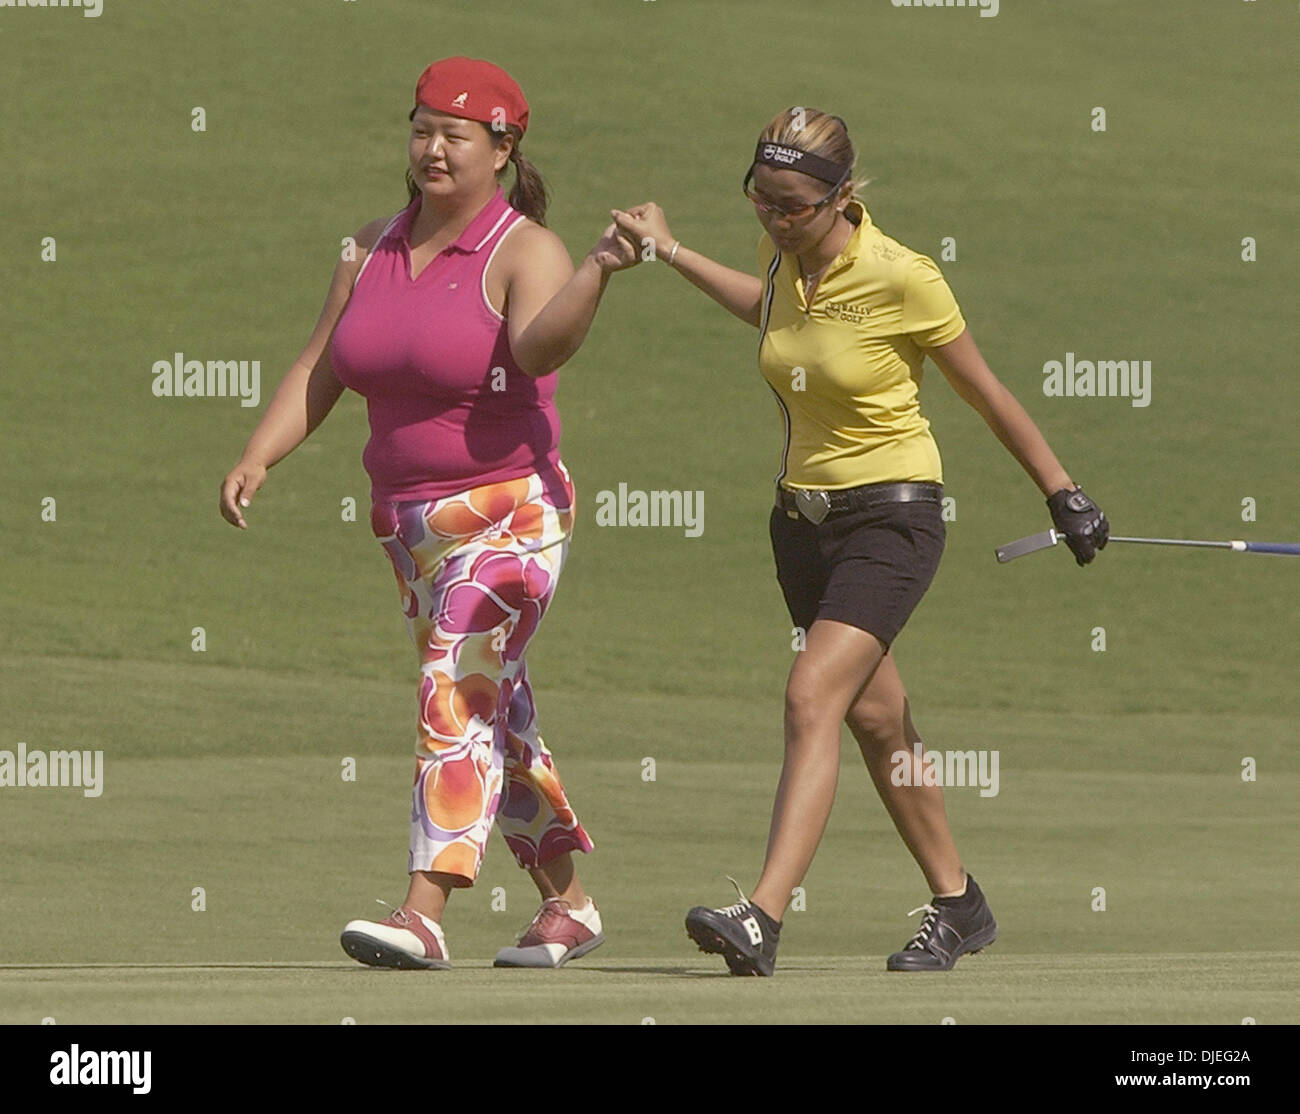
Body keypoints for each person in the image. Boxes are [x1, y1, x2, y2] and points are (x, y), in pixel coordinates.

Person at [612, 107, 1107, 975]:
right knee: (879, 721)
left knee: (813, 697)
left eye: (794, 204)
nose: (774, 216)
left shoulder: (902, 276)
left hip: (893, 518)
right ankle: (959, 906)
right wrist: (670, 249)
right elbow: (764, 310)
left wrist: (1063, 491)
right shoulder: (786, 258)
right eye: (761, 199)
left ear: (843, 195)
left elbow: (984, 391)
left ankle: (762, 916)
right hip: (800, 528)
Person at [219, 57, 639, 970]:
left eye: (456, 134)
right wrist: (259, 454)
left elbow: (538, 345)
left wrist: (598, 272)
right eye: (421, 129)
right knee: (493, 705)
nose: (433, 148)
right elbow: (319, 368)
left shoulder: (526, 249)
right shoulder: (368, 247)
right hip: (408, 527)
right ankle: (569, 905)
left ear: (503, 148)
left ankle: (423, 909)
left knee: (454, 685)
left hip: (511, 514)